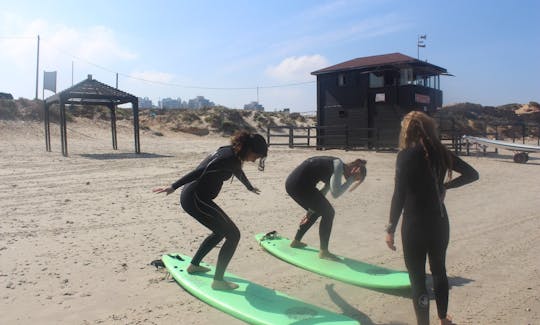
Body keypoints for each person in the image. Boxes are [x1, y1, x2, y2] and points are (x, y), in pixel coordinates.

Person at [384, 111, 479, 325]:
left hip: (413, 226)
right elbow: (473, 174)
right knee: (439, 271)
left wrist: (390, 229)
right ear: (429, 129)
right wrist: (446, 186)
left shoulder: (405, 155)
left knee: (417, 278)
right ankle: (443, 318)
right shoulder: (441, 152)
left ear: (407, 130)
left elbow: (399, 195)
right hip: (439, 221)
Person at [154, 130, 268, 290]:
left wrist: (249, 186)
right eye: (256, 155)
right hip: (195, 198)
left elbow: (236, 169)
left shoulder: (231, 153)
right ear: (249, 149)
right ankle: (218, 281)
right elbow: (200, 172)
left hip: (197, 197)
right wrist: (173, 186)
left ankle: (194, 265)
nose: (256, 159)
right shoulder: (227, 158)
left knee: (221, 232)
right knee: (234, 235)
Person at [286, 156, 367, 260]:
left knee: (319, 209)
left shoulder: (335, 164)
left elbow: (324, 191)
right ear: (354, 169)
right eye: (356, 178)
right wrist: (350, 180)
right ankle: (324, 251)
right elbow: (336, 193)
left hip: (293, 184)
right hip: (299, 185)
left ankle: (296, 241)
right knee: (329, 213)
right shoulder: (338, 167)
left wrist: (310, 210)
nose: (353, 180)